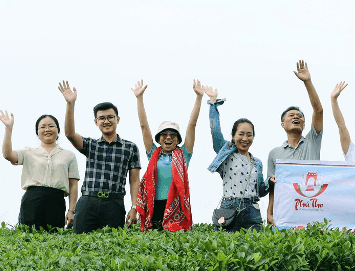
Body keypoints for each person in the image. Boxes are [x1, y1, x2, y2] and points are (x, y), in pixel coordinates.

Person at [58, 81, 141, 233]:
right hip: (88, 200)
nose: (106, 121)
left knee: (113, 247)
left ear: (118, 119)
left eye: (110, 117)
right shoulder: (91, 145)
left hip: (114, 203)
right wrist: (70, 104)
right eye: (102, 118)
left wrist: (135, 207)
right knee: (81, 244)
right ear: (96, 122)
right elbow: (70, 134)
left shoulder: (130, 147)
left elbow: (134, 180)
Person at [132, 79, 205, 232]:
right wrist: (139, 99)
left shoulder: (183, 155)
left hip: (176, 208)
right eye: (164, 134)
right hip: (154, 206)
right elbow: (144, 126)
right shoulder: (153, 154)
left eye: (173, 134)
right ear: (158, 139)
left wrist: (199, 98)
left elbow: (192, 125)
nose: (168, 137)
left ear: (178, 139)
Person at [266, 61, 324, 227]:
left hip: (311, 206)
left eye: (300, 116)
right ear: (283, 124)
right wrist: (270, 212)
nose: (296, 117)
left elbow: (318, 111)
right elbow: (273, 187)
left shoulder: (313, 141)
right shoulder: (275, 153)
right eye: (291, 115)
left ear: (304, 125)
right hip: (285, 210)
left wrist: (307, 81)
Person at [2, 110, 79, 230]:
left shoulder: (68, 155)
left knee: (54, 240)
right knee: (28, 239)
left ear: (58, 130)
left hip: (56, 201)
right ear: (37, 132)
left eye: (51, 126)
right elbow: (8, 155)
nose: (47, 129)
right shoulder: (28, 151)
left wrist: (71, 211)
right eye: (42, 127)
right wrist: (8, 129)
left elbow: (73, 185)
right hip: (32, 200)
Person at [206, 86, 269, 230]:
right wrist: (213, 103)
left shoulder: (257, 162)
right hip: (229, 208)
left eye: (249, 134)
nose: (245, 138)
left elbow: (260, 191)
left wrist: (269, 182)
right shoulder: (226, 154)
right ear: (233, 136)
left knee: (256, 247)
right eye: (241, 134)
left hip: (252, 210)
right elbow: (215, 131)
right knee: (225, 247)